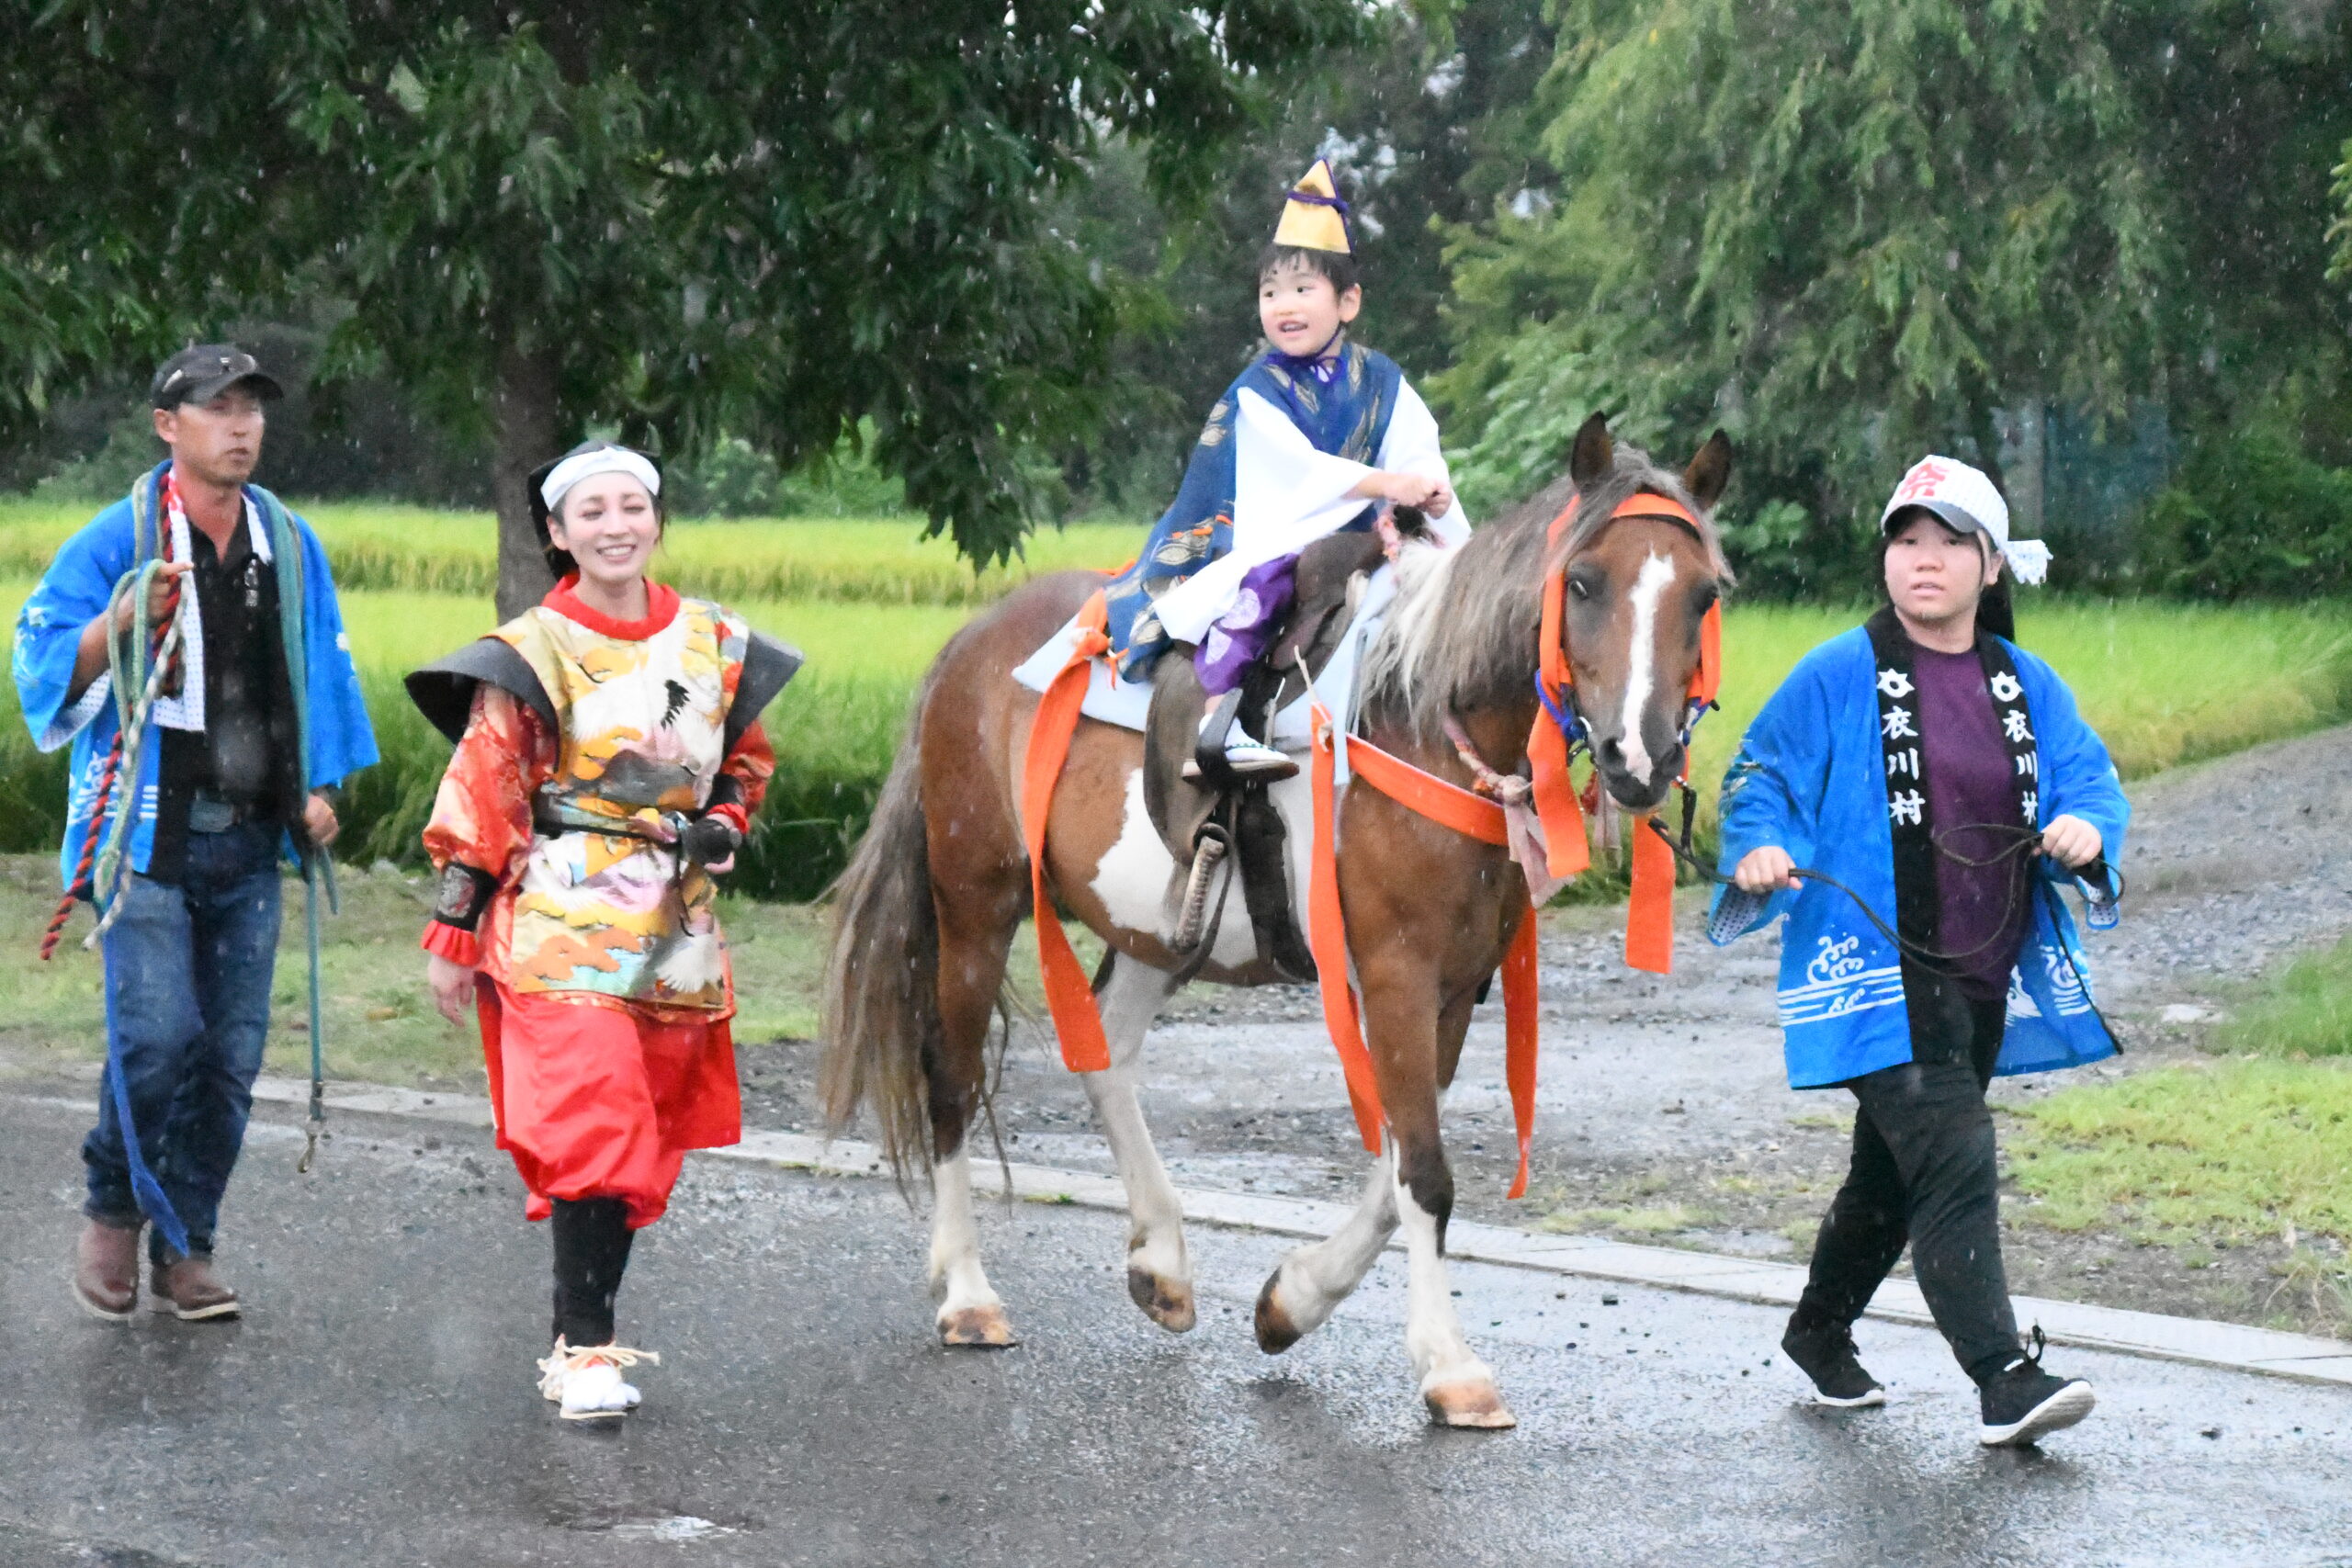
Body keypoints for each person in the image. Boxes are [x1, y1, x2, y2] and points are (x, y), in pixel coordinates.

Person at [1709, 456, 2129, 1448]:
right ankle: (2003, 1378)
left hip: (1979, 971)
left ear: (1991, 566)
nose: (1923, 562)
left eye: (1948, 543)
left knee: (1889, 1179)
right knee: (1954, 1153)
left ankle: (1817, 1332)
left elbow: (2090, 783)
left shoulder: (2027, 683)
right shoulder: (1835, 672)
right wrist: (1761, 843)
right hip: (1867, 969)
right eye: (1906, 541)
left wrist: (2085, 831)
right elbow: (1756, 774)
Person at [406, 442, 798, 1421]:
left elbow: (744, 763)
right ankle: (588, 1350)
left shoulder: (716, 639)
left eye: (632, 506)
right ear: (557, 533)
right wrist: (455, 928)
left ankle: (575, 1326)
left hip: (672, 917)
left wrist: (725, 823)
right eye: (591, 512)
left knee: (646, 1131)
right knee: (597, 1112)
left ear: (656, 520)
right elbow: (488, 779)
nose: (615, 525)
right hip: (557, 904)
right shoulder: (533, 649)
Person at [16, 344, 377, 1324]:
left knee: (230, 1054)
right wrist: (115, 626)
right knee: (157, 1040)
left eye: (250, 406)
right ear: (166, 426)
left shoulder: (287, 542)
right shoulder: (114, 537)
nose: (241, 425)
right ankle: (111, 1206)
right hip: (146, 834)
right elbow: (43, 655)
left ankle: (188, 1243)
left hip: (254, 835)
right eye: (215, 407)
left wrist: (319, 786)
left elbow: (320, 671)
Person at [1102, 158, 1465, 779]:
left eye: (1302, 289)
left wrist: (1426, 486)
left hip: (1367, 528)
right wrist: (1387, 484)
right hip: (1271, 528)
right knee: (1265, 588)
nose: (1283, 306)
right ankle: (1220, 724)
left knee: (1444, 595)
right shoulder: (1258, 388)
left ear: (1348, 301)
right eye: (1271, 292)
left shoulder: (1381, 379)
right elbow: (1296, 473)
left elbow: (1415, 445)